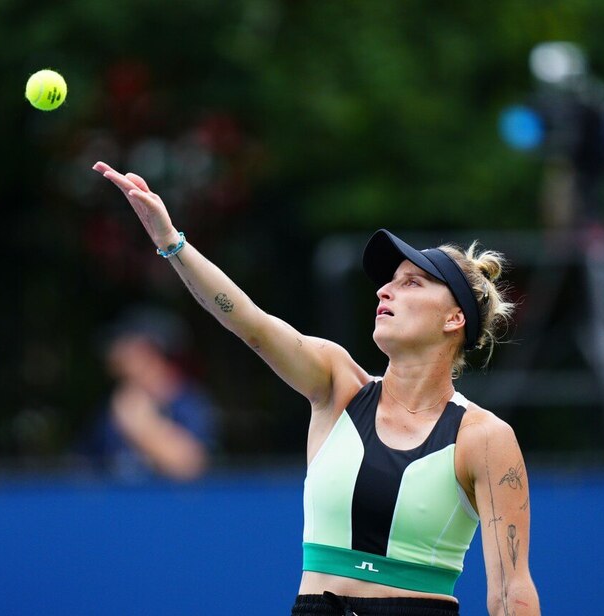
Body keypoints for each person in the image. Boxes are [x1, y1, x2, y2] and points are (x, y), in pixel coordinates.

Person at [92, 161, 540, 615]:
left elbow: (510, 593)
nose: (385, 291)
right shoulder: (337, 383)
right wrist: (171, 242)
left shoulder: (484, 438)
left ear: (454, 318)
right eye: (388, 282)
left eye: (411, 283)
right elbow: (251, 323)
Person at [78, 306, 217, 481]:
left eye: (124, 343)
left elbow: (190, 466)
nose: (114, 352)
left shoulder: (189, 403)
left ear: (149, 350)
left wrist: (140, 426)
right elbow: (84, 466)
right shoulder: (113, 402)